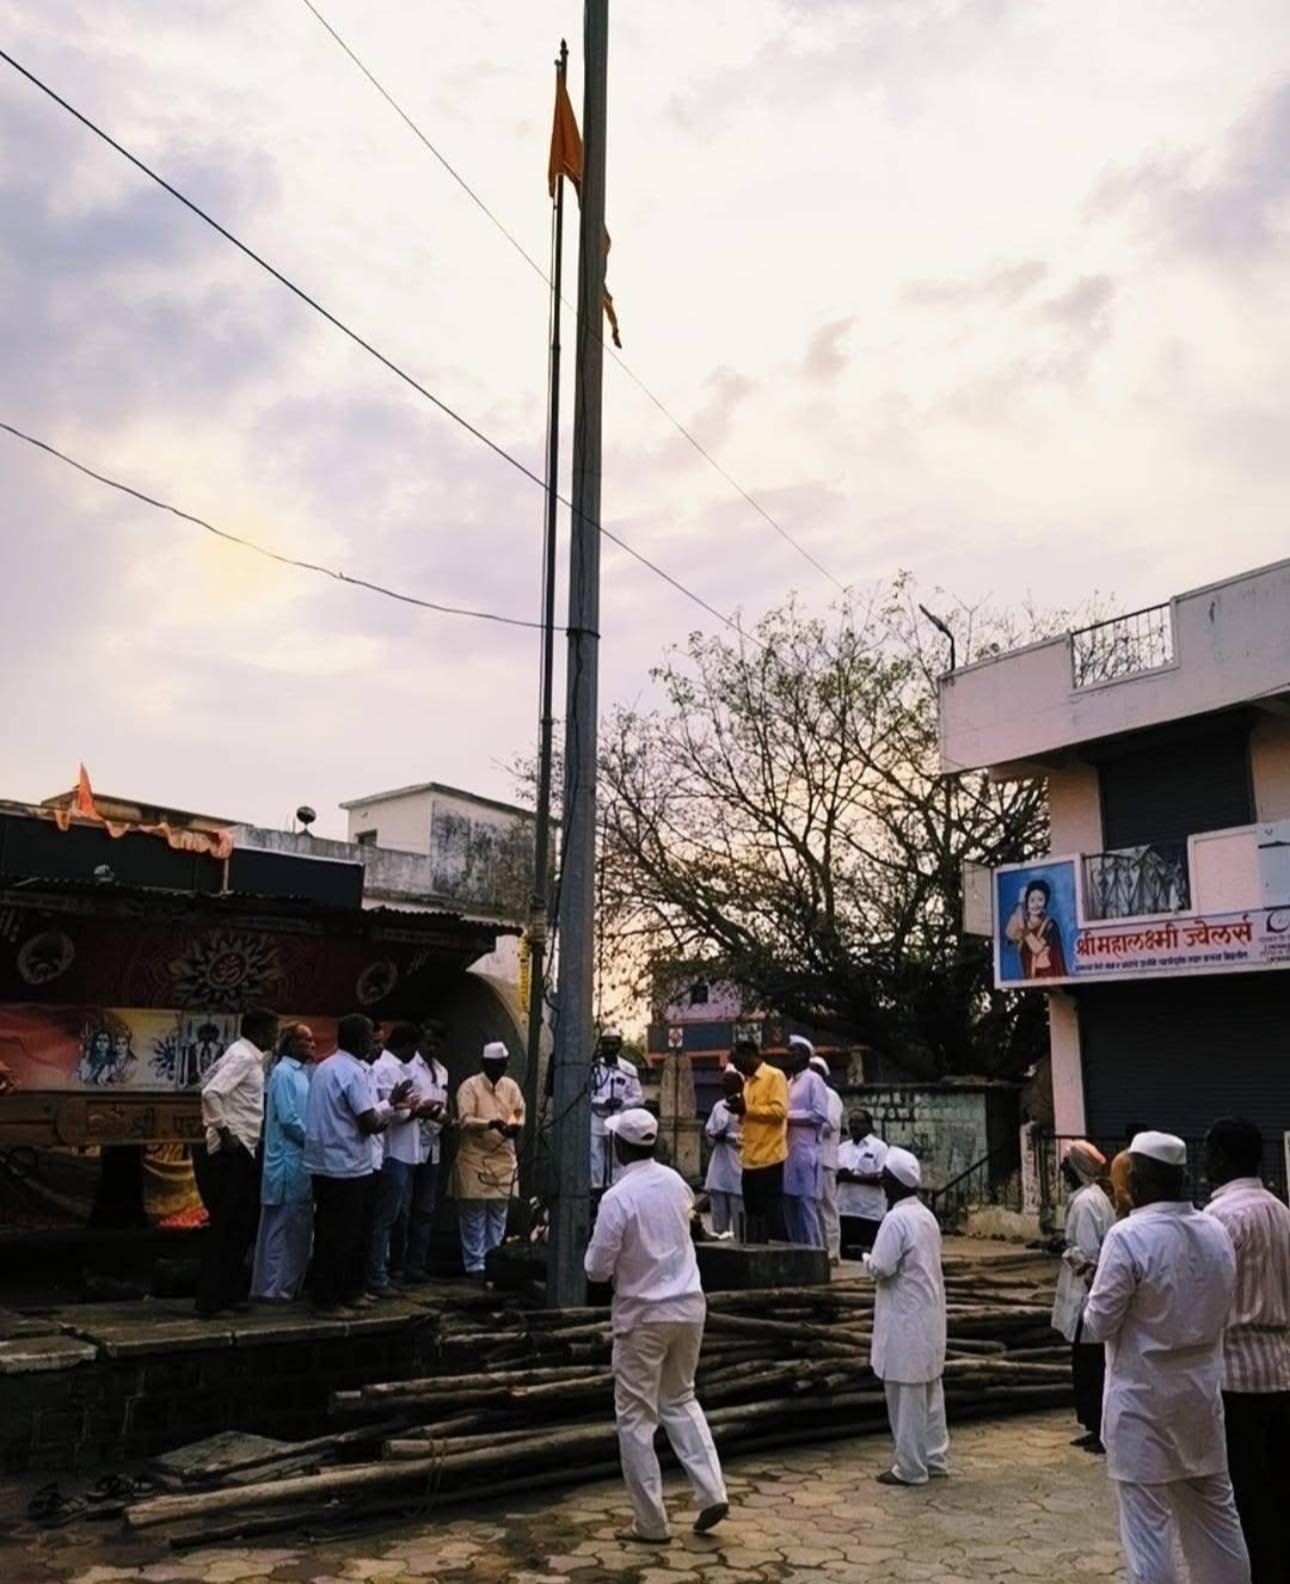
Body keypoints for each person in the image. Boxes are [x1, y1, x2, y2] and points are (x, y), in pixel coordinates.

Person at [1083, 1130, 1250, 1584]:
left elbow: (1098, 1324)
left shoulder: (1128, 1237)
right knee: (1216, 1519)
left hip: (1142, 1404)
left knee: (1148, 1530)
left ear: (1135, 1179)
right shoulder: (1216, 1230)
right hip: (1199, 1397)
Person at [584, 1107, 728, 1545]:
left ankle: (650, 1522)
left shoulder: (618, 1197)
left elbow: (595, 1269)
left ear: (620, 1146)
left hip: (643, 1315)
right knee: (681, 1398)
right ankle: (711, 1492)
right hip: (688, 1306)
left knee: (636, 1418)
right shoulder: (675, 1183)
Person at [1203, 1118, 1290, 1584]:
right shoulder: (1280, 1211)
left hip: (1233, 1373)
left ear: (1221, 1158)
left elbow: (1206, 1299)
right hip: (1278, 1369)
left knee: (1245, 1493)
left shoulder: (1221, 1220)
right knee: (1278, 1486)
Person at [303, 1014, 412, 1317]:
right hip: (345, 1165)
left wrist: (389, 1104)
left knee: (338, 1232)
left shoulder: (326, 1067)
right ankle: (327, 1300)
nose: (373, 1044)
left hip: (326, 1163)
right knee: (339, 1236)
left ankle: (349, 1291)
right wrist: (390, 1111)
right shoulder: (353, 1072)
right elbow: (368, 1122)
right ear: (357, 1040)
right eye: (369, 1038)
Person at [867, 1146, 949, 1487]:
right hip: (927, 1315)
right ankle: (934, 1456)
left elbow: (882, 1267)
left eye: (885, 1180)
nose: (882, 1185)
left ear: (894, 1183)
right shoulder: (926, 1216)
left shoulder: (896, 1219)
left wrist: (867, 1260)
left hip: (906, 1318)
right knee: (930, 1391)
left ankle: (910, 1467)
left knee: (906, 1394)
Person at [195, 1006, 278, 1318]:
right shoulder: (242, 1057)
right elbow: (211, 1091)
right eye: (273, 1030)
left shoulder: (246, 1056)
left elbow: (207, 1075)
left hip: (246, 1146)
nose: (276, 1036)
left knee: (241, 1224)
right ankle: (212, 1300)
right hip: (235, 1147)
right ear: (258, 1032)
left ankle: (230, 1293)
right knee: (226, 1224)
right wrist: (224, 1130)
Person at [1051, 1140, 1115, 1453]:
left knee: (1090, 1367)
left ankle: (1098, 1426)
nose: (1062, 1171)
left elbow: (1087, 1256)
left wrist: (1064, 1249)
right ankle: (1094, 1425)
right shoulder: (1091, 1199)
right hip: (1087, 1295)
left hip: (1086, 1297)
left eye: (1066, 1166)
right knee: (1089, 1364)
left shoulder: (1086, 1203)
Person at [250, 1023, 315, 1302]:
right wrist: (315, 1143)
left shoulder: (305, 1075)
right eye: (306, 1041)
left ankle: (288, 1286)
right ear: (291, 1045)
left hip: (303, 1160)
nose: (312, 1046)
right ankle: (271, 1288)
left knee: (298, 1228)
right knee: (280, 1228)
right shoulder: (283, 1073)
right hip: (288, 1160)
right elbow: (289, 1120)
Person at [366, 1022, 431, 1298]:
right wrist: (415, 1109)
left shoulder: (396, 1068)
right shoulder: (387, 1067)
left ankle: (386, 1271)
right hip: (391, 1152)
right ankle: (378, 1275)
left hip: (402, 1152)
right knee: (386, 1218)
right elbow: (396, 1112)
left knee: (394, 1217)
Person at [451, 1041, 525, 1280]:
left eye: (503, 1066)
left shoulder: (510, 1086)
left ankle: (493, 1262)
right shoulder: (469, 1087)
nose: (499, 1071)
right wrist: (491, 1124)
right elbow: (465, 1120)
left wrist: (513, 1126)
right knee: (473, 1214)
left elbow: (518, 1111)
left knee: (498, 1213)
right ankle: (475, 1266)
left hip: (503, 1156)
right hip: (475, 1156)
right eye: (495, 1066)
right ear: (484, 1064)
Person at [395, 1019, 451, 1284]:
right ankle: (397, 1264)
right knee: (402, 1209)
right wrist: (422, 1109)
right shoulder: (406, 1068)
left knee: (425, 1209)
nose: (431, 1047)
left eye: (436, 1043)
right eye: (427, 1041)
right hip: (410, 1141)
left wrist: (442, 1116)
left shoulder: (442, 1072)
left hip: (432, 1145)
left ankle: (416, 1264)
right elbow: (402, 1106)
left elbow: (443, 1106)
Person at [726, 1036, 788, 1242]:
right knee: (752, 1214)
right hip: (749, 1157)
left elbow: (780, 1112)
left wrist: (748, 1110)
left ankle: (780, 1258)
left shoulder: (774, 1076)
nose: (737, 1068)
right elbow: (750, 1117)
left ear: (749, 1055)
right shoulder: (748, 1082)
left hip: (770, 1156)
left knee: (771, 1214)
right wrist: (740, 1112)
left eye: (738, 1062)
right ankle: (756, 1254)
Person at [782, 1036, 829, 1248]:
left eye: (794, 1051)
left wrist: (787, 1116)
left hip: (806, 1150)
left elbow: (819, 1115)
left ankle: (814, 1251)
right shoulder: (787, 1082)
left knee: (806, 1205)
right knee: (790, 1206)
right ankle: (797, 1251)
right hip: (787, 1152)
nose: (788, 1055)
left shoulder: (813, 1080)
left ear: (805, 1056)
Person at [590, 1028, 644, 1193]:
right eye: (606, 1044)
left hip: (618, 1122)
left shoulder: (628, 1069)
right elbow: (588, 1095)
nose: (609, 1048)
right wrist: (604, 1101)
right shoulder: (595, 1068)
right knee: (596, 1160)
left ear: (619, 1045)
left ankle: (617, 1192)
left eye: (613, 1044)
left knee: (617, 1161)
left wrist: (622, 1103)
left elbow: (638, 1097)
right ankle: (596, 1193)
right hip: (597, 1122)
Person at [837, 1109, 889, 1254]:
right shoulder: (842, 1148)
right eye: (851, 1122)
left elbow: (882, 1177)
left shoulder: (879, 1147)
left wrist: (854, 1178)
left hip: (869, 1212)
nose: (853, 1126)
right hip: (845, 1210)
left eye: (858, 1122)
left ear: (868, 1125)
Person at [809, 1053, 844, 1263]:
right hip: (811, 1159)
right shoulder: (810, 1094)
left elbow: (830, 1123)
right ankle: (818, 1248)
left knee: (828, 1206)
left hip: (825, 1159)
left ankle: (833, 1251)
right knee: (813, 1207)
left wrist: (807, 1123)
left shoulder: (830, 1095)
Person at [703, 1068, 743, 1237]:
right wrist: (714, 1135)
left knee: (740, 1220)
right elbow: (709, 1129)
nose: (724, 1086)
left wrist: (729, 1137)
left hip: (738, 1164)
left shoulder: (746, 1105)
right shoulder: (718, 1106)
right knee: (718, 1223)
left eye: (728, 1082)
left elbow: (750, 1136)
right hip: (719, 1166)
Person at [1005, 878, 1067, 979]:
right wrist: (1020, 906)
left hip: (1047, 976)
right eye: (1032, 900)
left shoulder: (1050, 925)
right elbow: (1009, 934)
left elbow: (1037, 948)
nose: (1036, 904)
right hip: (1029, 978)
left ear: (1046, 902)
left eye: (1040, 900)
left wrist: (1024, 927)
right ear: (1027, 903)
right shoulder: (1024, 923)